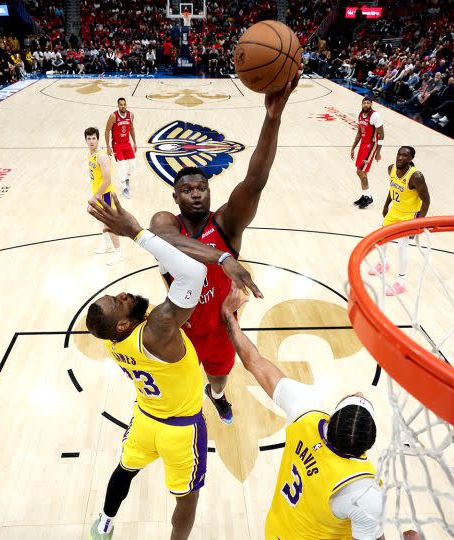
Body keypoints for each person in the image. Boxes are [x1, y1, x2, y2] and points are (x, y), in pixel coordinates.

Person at [83, 194, 256, 540]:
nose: (124, 295)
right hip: (181, 430)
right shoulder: (158, 328)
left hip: (146, 418)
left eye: (117, 294)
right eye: (119, 302)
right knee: (187, 501)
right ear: (121, 324)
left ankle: (104, 523)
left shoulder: (112, 340)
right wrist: (135, 232)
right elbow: (193, 272)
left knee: (124, 470)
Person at [149, 70, 301, 425]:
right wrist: (222, 259)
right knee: (178, 388)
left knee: (218, 380)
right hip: (179, 326)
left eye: (201, 187)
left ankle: (216, 396)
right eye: (187, 190)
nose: (196, 193)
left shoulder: (226, 223)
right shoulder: (164, 222)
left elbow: (255, 180)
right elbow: (169, 242)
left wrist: (272, 119)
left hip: (220, 324)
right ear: (175, 196)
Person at [219, 288, 384, 539]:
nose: (360, 393)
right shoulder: (364, 490)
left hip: (275, 530)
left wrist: (228, 316)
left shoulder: (306, 410)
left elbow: (254, 362)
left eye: (355, 399)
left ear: (333, 419)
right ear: (368, 444)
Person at [370, 146, 431, 296]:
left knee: (401, 247)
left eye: (405, 156)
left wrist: (419, 222)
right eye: (399, 154)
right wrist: (386, 205)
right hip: (394, 212)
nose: (400, 158)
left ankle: (401, 282)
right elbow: (392, 189)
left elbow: (426, 201)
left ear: (411, 159)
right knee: (381, 238)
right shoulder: (391, 169)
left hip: (409, 216)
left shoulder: (416, 176)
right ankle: (383, 263)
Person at [84, 126, 124, 265]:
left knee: (110, 224)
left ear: (98, 139)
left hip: (105, 195)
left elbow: (107, 179)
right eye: (88, 139)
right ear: (85, 140)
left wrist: (96, 196)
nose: (91, 141)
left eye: (93, 138)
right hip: (98, 193)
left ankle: (118, 253)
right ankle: (107, 244)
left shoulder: (101, 156)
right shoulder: (90, 153)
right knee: (100, 221)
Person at [350, 95, 384, 209]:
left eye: (368, 103)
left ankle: (368, 196)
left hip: (371, 145)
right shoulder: (360, 114)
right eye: (364, 103)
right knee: (359, 172)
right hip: (363, 145)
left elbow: (382, 135)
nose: (366, 105)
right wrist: (353, 147)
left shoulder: (375, 116)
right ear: (362, 104)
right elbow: (359, 133)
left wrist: (378, 152)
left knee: (361, 171)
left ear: (371, 104)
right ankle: (365, 195)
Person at [104, 98, 137, 199]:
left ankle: (126, 178)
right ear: (118, 106)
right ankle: (124, 188)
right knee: (121, 166)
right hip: (117, 145)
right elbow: (107, 131)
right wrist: (108, 146)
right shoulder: (113, 116)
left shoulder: (131, 115)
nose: (123, 106)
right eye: (121, 105)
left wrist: (134, 142)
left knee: (133, 165)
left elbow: (131, 129)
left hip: (127, 143)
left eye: (124, 104)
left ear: (126, 105)